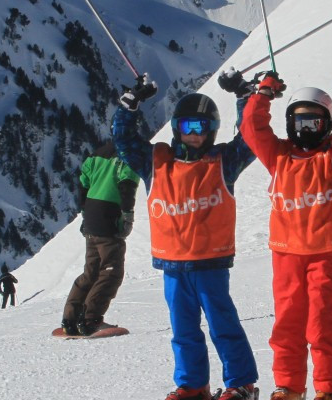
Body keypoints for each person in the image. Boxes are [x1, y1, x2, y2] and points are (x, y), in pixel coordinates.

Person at [112, 72, 260, 400]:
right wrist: (130, 105)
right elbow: (123, 141)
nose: (195, 135)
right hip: (173, 265)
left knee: (223, 326)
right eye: (188, 127)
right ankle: (193, 385)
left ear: (212, 131)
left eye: (203, 128)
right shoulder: (155, 162)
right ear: (177, 128)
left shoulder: (223, 161)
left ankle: (242, 384)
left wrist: (244, 98)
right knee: (183, 331)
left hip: (210, 263)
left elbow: (251, 138)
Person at [240, 64, 332, 400]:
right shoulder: (279, 156)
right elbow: (252, 129)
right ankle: (288, 387)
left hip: (326, 254)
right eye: (301, 122)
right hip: (286, 255)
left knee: (322, 324)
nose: (308, 129)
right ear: (290, 125)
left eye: (315, 122)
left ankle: (330, 389)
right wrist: (263, 94)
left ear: (327, 124)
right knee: (287, 325)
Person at [62, 142, 140, 335]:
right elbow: (127, 185)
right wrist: (127, 215)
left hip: (91, 214)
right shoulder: (129, 153)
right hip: (109, 214)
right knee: (111, 271)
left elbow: (83, 183)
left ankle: (71, 319)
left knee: (91, 270)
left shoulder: (97, 154)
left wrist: (84, 212)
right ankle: (91, 320)